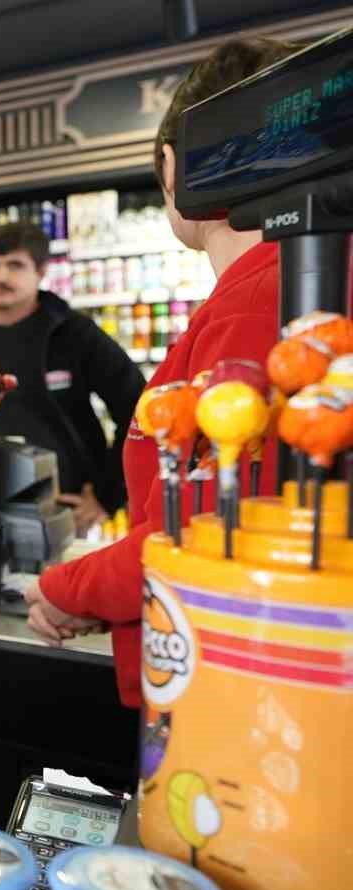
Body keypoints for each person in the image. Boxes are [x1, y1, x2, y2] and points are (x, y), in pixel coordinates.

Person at [24, 37, 296, 707]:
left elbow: (211, 528)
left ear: (174, 167)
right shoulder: (297, 284)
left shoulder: (259, 302)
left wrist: (67, 586)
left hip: (239, 694)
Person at [0, 221, 144, 532]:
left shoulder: (74, 333)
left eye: (15, 265)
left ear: (41, 272)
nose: (0, 276)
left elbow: (137, 404)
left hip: (64, 509)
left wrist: (107, 495)